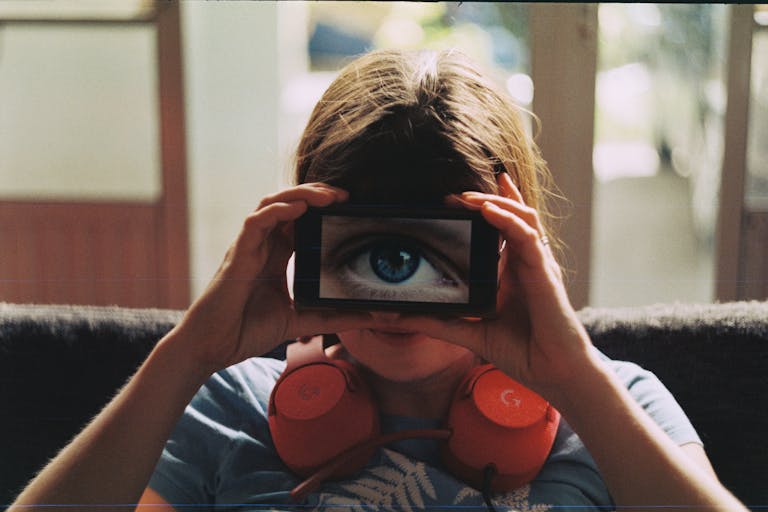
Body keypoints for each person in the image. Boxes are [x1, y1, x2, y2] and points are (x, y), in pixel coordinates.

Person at [11, 49, 746, 512]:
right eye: (370, 251)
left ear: (513, 247)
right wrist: (188, 353)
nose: (397, 299)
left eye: (432, 251)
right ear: (302, 235)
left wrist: (577, 380)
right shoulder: (230, 406)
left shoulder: (619, 404)